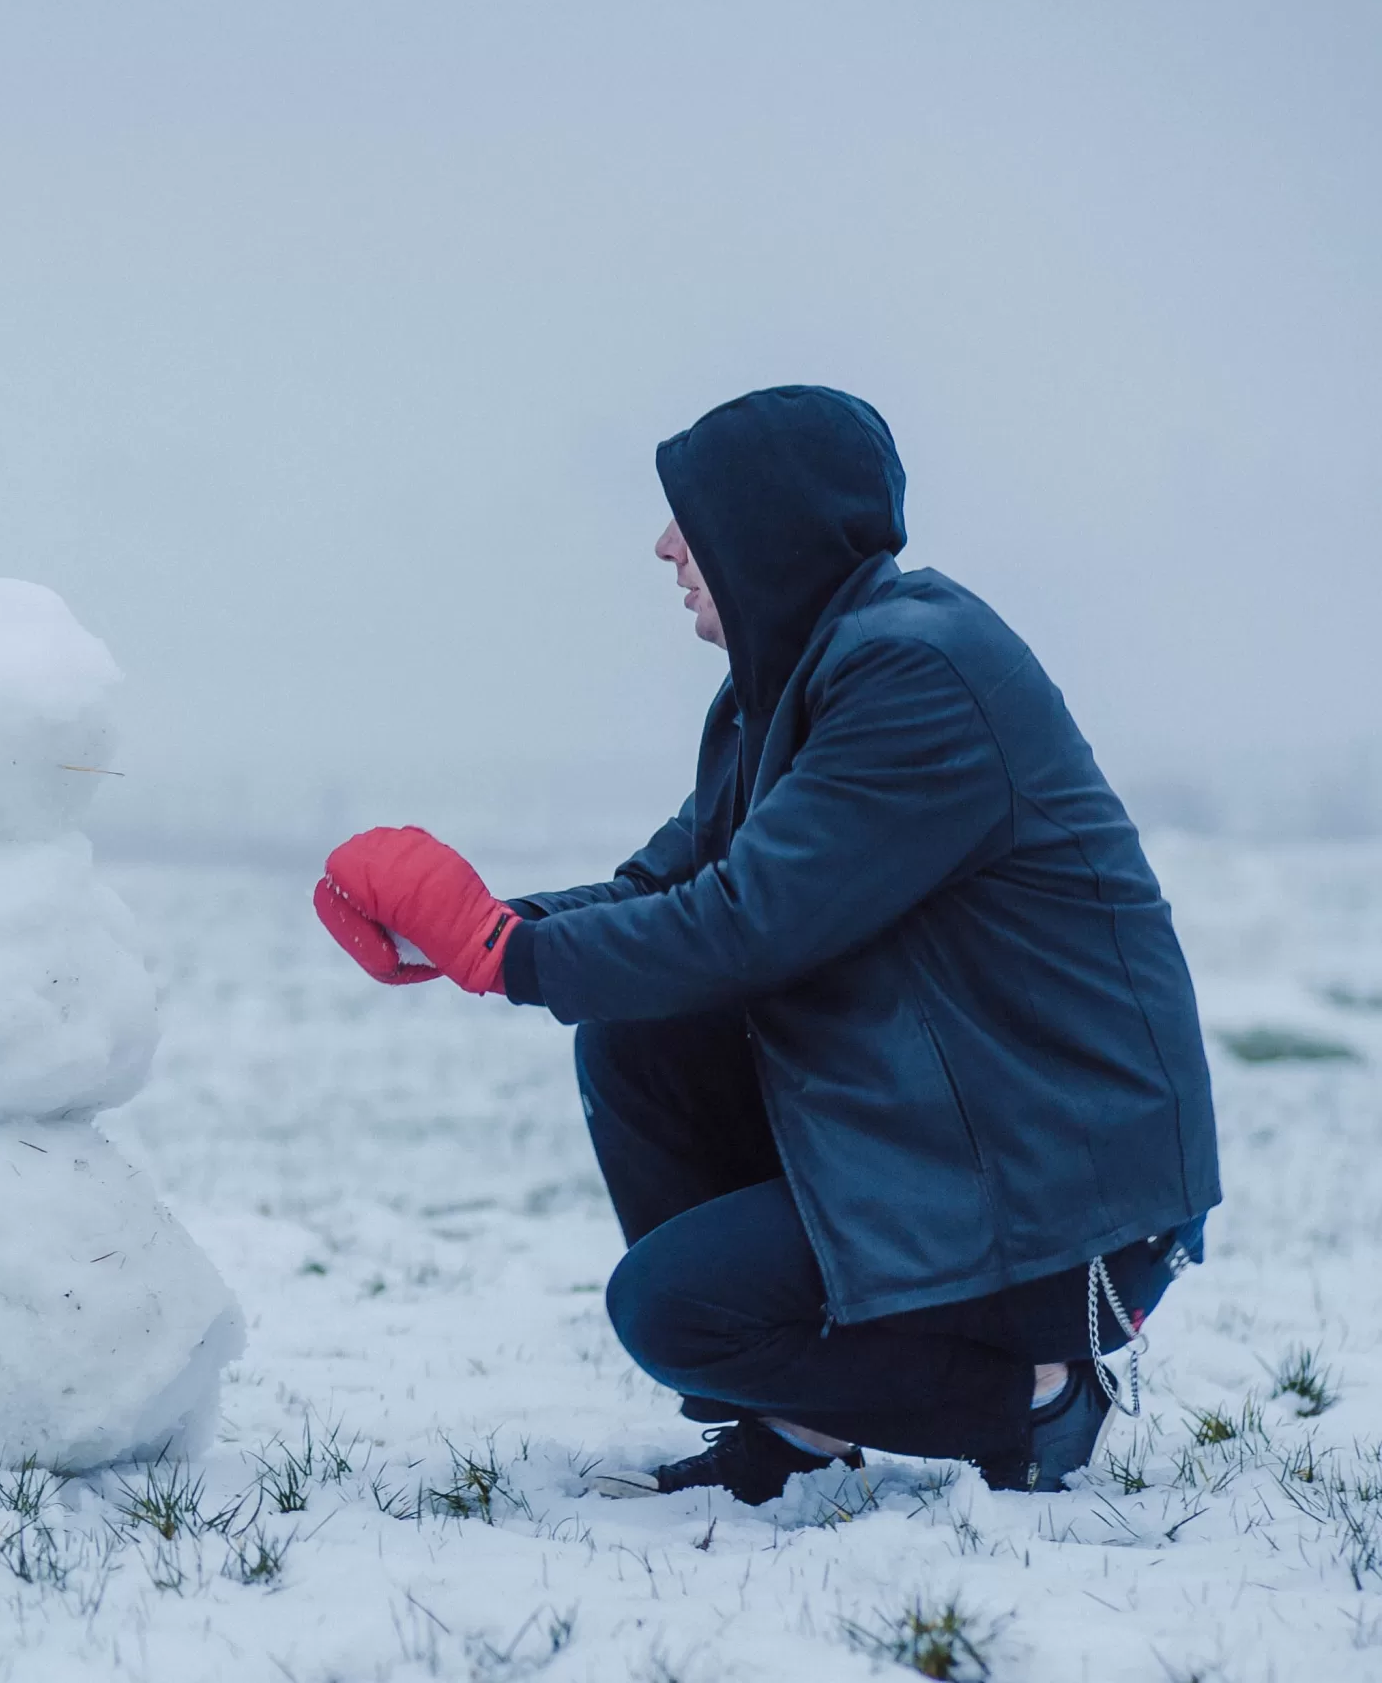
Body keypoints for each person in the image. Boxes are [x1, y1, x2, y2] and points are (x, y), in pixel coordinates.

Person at [315, 386, 1219, 1502]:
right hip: (957, 1136)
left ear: (765, 525)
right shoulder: (781, 694)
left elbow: (746, 923)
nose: (662, 549)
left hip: (1069, 1203)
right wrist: (473, 931)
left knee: (672, 1309)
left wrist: (505, 953)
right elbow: (663, 888)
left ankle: (1038, 1399)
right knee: (637, 1038)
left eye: (685, 520)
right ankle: (802, 1429)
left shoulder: (918, 674)